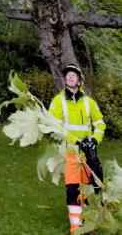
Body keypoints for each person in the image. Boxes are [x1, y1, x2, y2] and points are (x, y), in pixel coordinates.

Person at [49, 63, 106, 233]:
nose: (70, 77)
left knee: (90, 189)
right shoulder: (58, 102)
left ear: (79, 79)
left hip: (88, 153)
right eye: (68, 75)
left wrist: (94, 140)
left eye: (74, 74)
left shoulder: (89, 102)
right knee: (73, 189)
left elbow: (100, 123)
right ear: (65, 79)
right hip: (71, 153)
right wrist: (76, 141)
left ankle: (89, 225)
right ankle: (76, 228)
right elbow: (55, 128)